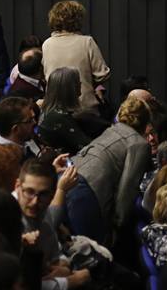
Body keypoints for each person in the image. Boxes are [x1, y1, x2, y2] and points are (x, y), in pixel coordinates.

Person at [67, 97, 153, 243]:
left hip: (69, 178)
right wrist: (119, 226)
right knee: (93, 251)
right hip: (90, 193)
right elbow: (128, 188)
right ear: (146, 122)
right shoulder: (139, 144)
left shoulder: (111, 130)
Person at [13, 157, 91, 290]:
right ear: (17, 186)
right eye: (29, 192)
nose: (35, 202)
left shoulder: (43, 212)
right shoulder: (8, 219)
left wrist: (64, 267)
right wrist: (71, 282)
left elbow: (55, 251)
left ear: (52, 194)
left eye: (43, 194)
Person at [41, 0, 110, 117]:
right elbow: (103, 75)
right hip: (84, 108)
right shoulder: (87, 42)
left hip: (55, 109)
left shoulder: (47, 44)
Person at [38, 66, 93, 153]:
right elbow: (86, 143)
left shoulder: (48, 109)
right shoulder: (59, 116)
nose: (80, 84)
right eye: (78, 82)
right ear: (72, 88)